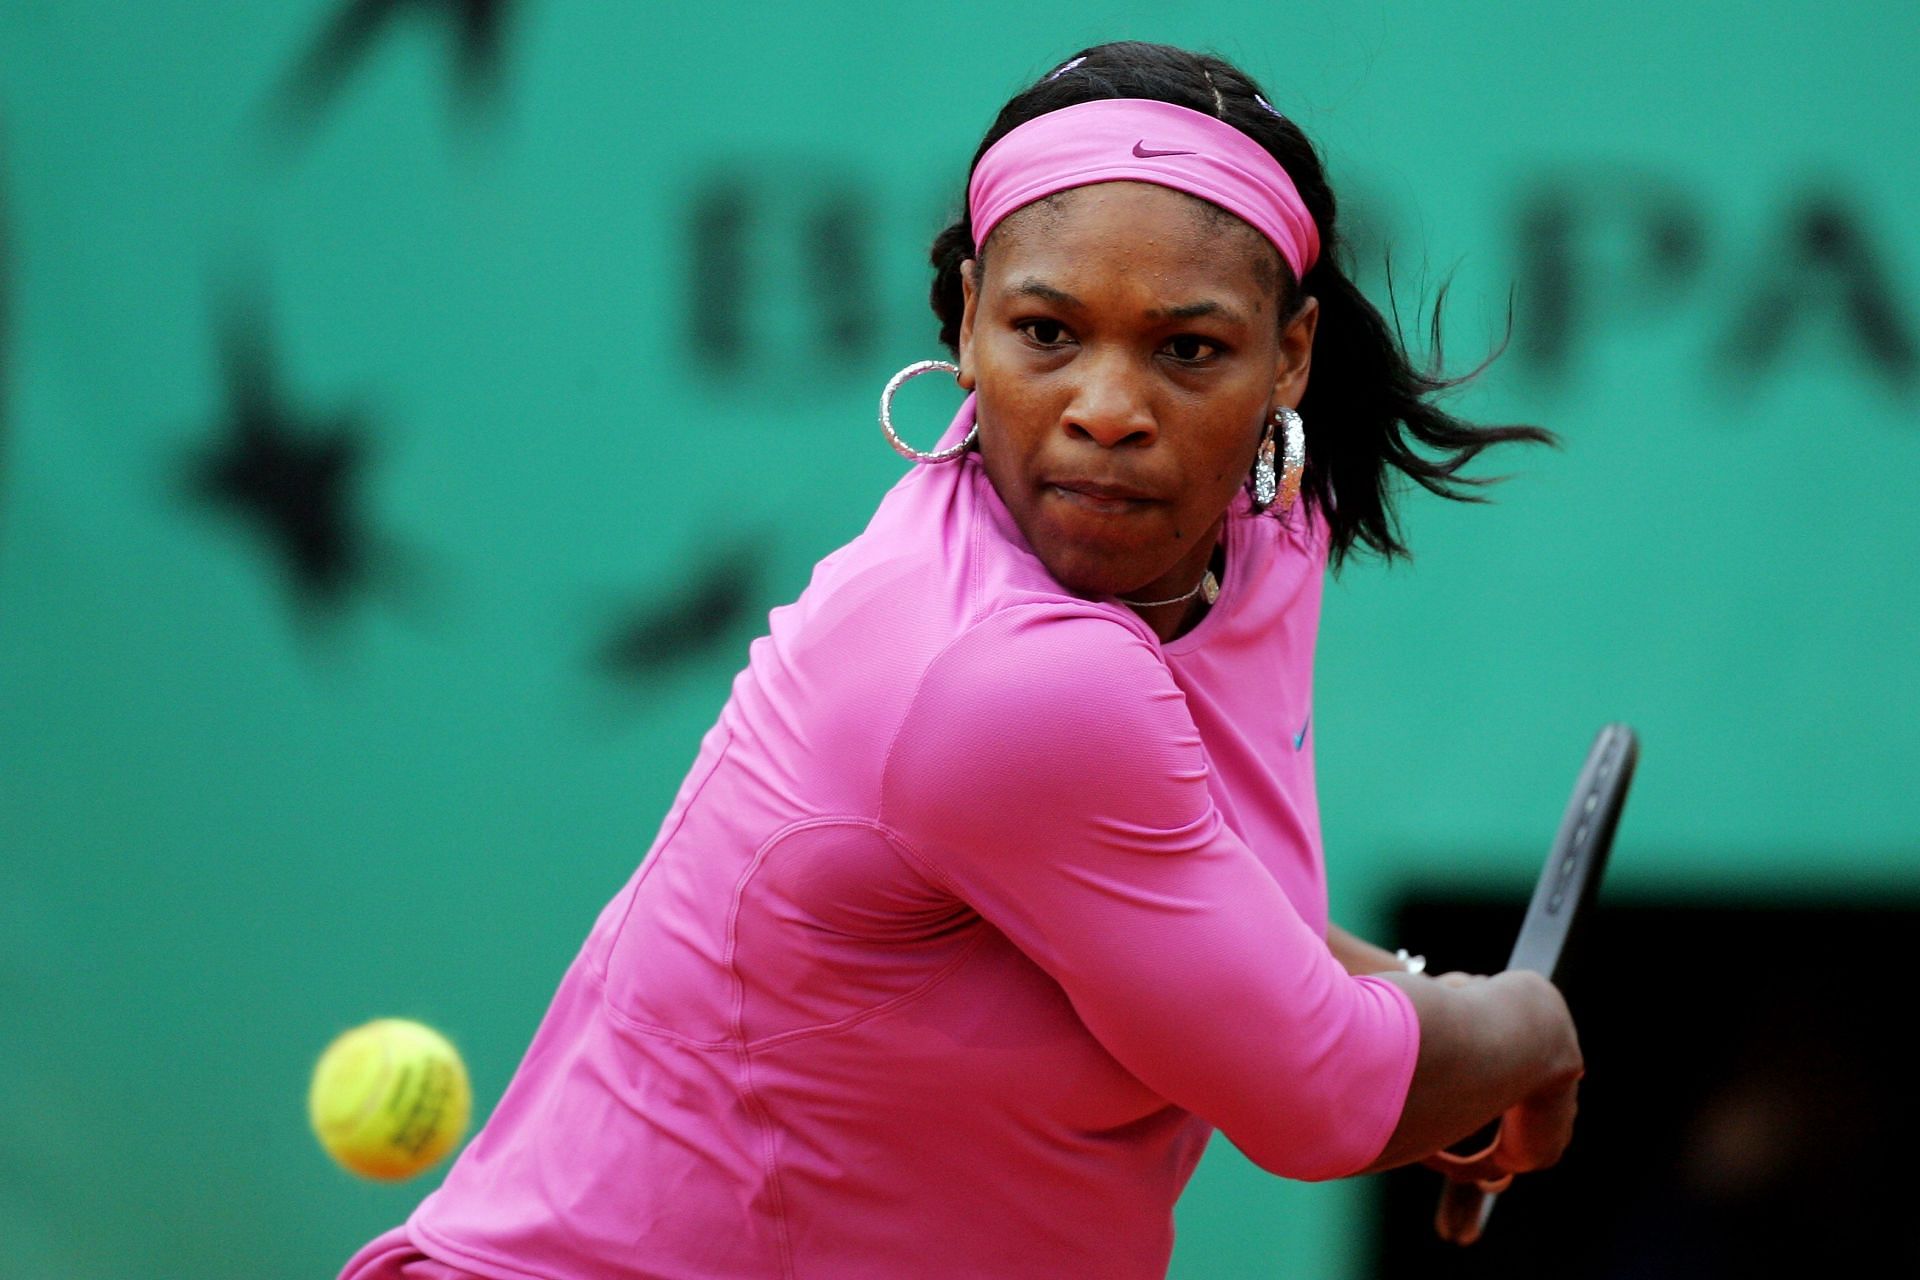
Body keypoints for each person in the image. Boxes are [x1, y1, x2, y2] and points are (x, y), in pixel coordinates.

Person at [339, 40, 1582, 1280]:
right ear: (969, 321)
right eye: (1048, 331)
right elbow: (1315, 1092)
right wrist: (1526, 1027)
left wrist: (1416, 1006)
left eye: (1190, 349)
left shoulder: (1257, 542)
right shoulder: (1008, 674)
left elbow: (1201, 901)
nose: (1107, 406)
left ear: (1290, 357)